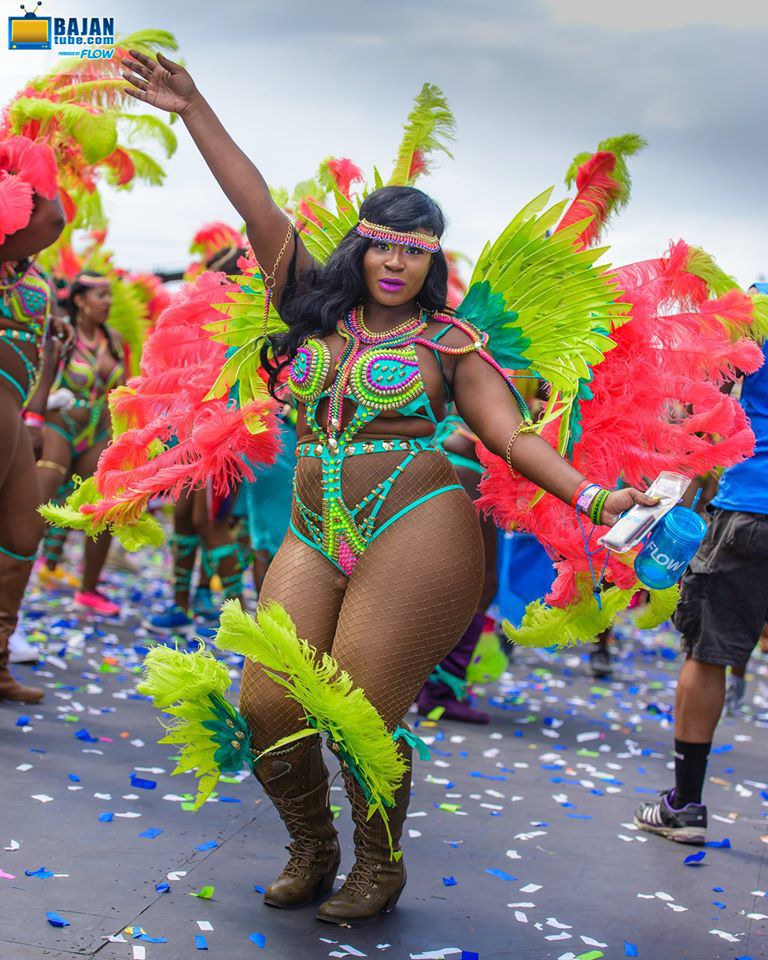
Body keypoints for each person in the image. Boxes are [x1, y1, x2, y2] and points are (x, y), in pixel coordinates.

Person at [121, 49, 655, 924]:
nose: (398, 266)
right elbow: (254, 200)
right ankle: (312, 844)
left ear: (432, 261)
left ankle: (379, 863)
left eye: (417, 253)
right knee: (266, 705)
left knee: (361, 708)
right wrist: (193, 107)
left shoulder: (449, 343)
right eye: (386, 248)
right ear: (362, 248)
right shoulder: (306, 304)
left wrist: (593, 498)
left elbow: (510, 435)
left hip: (417, 522)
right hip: (312, 527)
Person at [635, 282, 768, 844]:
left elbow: (694, 395)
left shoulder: (757, 304)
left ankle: (685, 805)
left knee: (707, 653)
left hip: (752, 507)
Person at [0, 137, 66, 702]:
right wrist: (30, 154)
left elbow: (43, 346)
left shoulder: (32, 270)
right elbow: (52, 216)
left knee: (23, 532)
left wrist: (34, 409)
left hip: (12, 413)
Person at [35, 271, 125, 616]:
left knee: (103, 507)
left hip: (98, 431)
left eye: (109, 295)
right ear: (79, 299)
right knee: (44, 490)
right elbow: (41, 375)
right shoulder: (62, 335)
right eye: (100, 295)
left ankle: (89, 589)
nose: (107, 302)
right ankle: (14, 568)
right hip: (59, 424)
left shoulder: (115, 342)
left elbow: (124, 391)